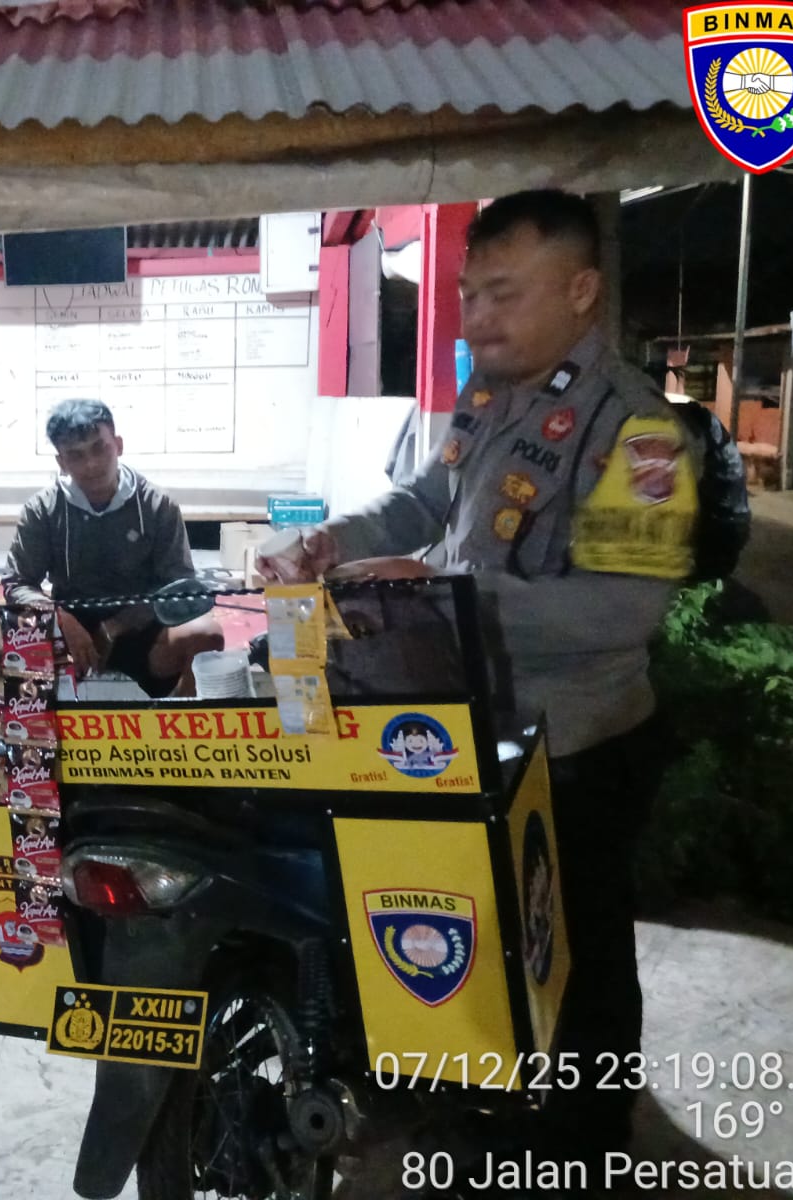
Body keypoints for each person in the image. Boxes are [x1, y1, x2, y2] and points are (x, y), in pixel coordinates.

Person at [258, 189, 700, 1185]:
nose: (477, 317)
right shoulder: (490, 392)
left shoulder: (637, 432)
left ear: (580, 292)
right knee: (496, 938)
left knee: (578, 956)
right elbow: (427, 497)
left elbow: (620, 612)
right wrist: (333, 540)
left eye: (505, 293)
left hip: (577, 743)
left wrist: (443, 593)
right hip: (470, 722)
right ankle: (493, 1105)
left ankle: (584, 1149)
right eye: (468, 293)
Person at [4, 398, 223, 697]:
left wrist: (114, 627)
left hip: (145, 631)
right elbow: (17, 583)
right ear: (61, 462)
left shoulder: (157, 505)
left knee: (206, 633)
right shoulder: (42, 509)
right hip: (72, 633)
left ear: (118, 445)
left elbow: (179, 588)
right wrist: (58, 616)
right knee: (9, 630)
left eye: (99, 448)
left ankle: (180, 717)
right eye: (76, 455)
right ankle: (36, 722)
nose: (91, 464)